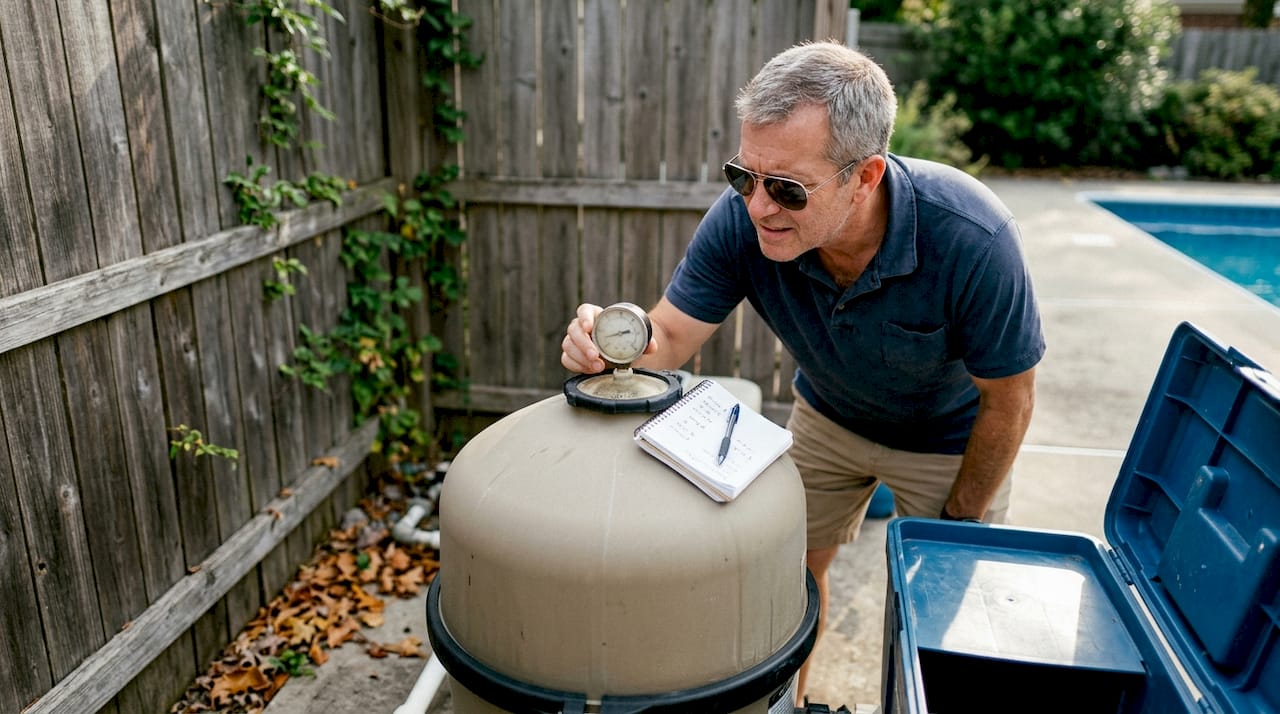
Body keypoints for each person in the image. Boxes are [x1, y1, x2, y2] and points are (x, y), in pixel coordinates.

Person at [560, 41, 1044, 705]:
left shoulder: (973, 237)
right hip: (829, 417)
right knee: (787, 582)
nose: (759, 207)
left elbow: (1011, 401)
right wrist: (610, 342)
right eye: (744, 176)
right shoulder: (744, 221)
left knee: (941, 612)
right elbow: (667, 337)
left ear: (865, 177)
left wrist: (959, 518)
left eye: (787, 188)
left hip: (950, 440)